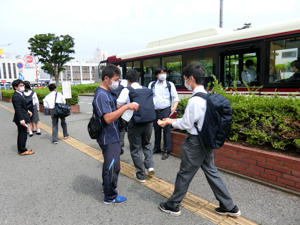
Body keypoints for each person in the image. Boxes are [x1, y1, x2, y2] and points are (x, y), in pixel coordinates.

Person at [157, 62, 241, 217]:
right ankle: (229, 207)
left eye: (185, 79)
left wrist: (170, 121)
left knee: (185, 174)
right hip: (206, 140)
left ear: (191, 79)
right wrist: (171, 121)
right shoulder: (207, 97)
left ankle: (173, 205)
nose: (185, 82)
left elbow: (187, 124)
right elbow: (194, 119)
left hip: (195, 143)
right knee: (211, 171)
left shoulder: (194, 100)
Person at [93, 64, 139, 204]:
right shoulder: (101, 95)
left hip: (111, 134)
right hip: (108, 136)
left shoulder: (106, 92)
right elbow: (107, 118)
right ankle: (110, 196)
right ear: (106, 78)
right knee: (113, 166)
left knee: (109, 164)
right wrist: (126, 107)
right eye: (116, 79)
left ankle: (105, 187)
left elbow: (112, 109)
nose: (117, 82)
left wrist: (123, 107)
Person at [117, 70, 155, 183]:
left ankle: (141, 174)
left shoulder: (126, 90)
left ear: (127, 80)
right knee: (147, 144)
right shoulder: (147, 90)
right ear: (138, 79)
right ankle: (150, 166)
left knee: (136, 148)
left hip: (135, 122)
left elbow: (118, 105)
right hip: (148, 122)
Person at [148, 67, 179, 160]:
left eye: (164, 73)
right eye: (160, 73)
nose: (163, 75)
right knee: (156, 130)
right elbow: (148, 97)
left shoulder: (170, 84)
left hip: (166, 110)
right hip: (155, 110)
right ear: (156, 75)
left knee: (166, 131)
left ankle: (167, 150)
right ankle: (157, 148)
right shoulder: (152, 84)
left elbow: (175, 97)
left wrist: (174, 107)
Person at [11, 79, 34, 156]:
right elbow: (18, 109)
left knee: (22, 133)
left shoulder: (20, 94)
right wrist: (21, 119)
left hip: (22, 116)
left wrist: (27, 110)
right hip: (20, 118)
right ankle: (22, 150)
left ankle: (22, 149)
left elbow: (22, 106)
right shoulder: (16, 96)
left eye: (23, 85)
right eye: (21, 85)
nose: (23, 87)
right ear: (15, 87)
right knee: (22, 134)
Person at [111, 78, 128, 155]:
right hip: (113, 110)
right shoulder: (112, 84)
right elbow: (115, 92)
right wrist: (121, 86)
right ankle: (117, 146)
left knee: (122, 127)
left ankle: (119, 145)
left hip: (121, 110)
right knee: (116, 128)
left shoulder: (123, 83)